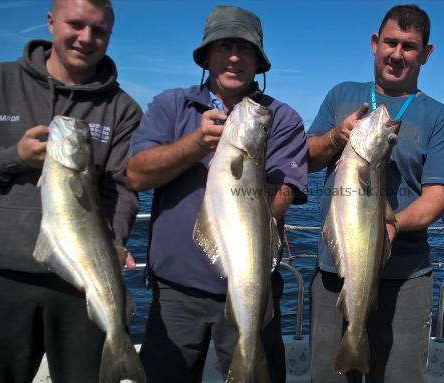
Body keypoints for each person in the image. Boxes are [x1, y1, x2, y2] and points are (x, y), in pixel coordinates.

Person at [126, 5, 308, 383]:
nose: (235, 57)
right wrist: (195, 144)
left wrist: (254, 182)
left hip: (252, 284)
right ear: (206, 55)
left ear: (258, 62)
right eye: (225, 46)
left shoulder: (281, 117)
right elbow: (136, 175)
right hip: (175, 291)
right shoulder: (172, 105)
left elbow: (286, 193)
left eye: (246, 50)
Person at [0, 0, 142, 382]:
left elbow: (122, 189)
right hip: (0, 274)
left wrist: (116, 242)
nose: (86, 38)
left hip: (81, 283)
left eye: (99, 31)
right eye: (76, 24)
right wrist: (14, 157)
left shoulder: (123, 109)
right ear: (51, 22)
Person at [307, 4, 444, 382]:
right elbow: (306, 159)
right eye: (390, 42)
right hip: (335, 269)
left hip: (406, 275)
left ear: (426, 54)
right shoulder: (341, 95)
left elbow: (437, 197)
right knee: (327, 375)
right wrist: (334, 137)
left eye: (409, 46)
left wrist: (392, 225)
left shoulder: (441, 117)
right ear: (375, 44)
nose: (397, 54)